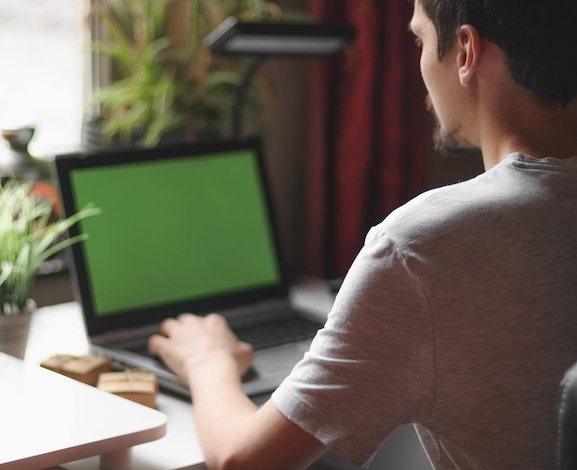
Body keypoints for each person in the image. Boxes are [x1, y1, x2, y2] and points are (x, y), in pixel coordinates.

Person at [148, 0, 577, 468]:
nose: (419, 63)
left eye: (420, 40)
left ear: (466, 52)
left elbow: (242, 460)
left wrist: (207, 360)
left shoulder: (422, 250)